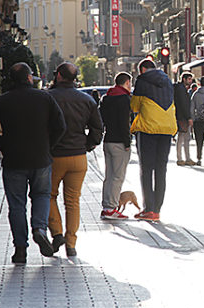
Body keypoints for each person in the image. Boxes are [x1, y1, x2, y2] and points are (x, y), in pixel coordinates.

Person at [0, 62, 66, 263]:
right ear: (29, 78)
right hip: (41, 158)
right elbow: (60, 126)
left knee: (17, 204)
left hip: (13, 160)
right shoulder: (45, 98)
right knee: (42, 195)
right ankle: (39, 229)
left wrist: (4, 145)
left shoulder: (2, 101)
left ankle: (20, 248)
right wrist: (48, 145)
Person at [46, 63, 103, 257]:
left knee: (49, 195)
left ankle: (57, 233)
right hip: (78, 156)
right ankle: (71, 243)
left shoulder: (48, 98)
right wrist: (88, 144)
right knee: (72, 201)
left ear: (59, 76)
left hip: (54, 156)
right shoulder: (86, 100)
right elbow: (98, 128)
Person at [131, 58, 177, 221]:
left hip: (148, 129)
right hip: (167, 128)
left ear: (142, 69)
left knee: (146, 169)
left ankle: (148, 209)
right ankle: (157, 210)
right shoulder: (167, 80)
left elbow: (134, 106)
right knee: (161, 169)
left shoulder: (142, 81)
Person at [99, 72, 132, 219]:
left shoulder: (106, 98)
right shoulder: (124, 99)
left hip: (108, 140)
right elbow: (124, 122)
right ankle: (111, 208)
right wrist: (127, 142)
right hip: (119, 142)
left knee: (109, 176)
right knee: (118, 177)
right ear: (126, 83)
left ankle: (106, 206)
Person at [174, 71, 194, 165]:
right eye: (189, 79)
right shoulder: (181, 90)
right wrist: (188, 117)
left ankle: (185, 158)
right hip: (182, 117)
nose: (190, 81)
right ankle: (181, 158)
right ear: (184, 79)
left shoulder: (180, 88)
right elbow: (183, 104)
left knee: (184, 138)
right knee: (182, 138)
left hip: (181, 116)